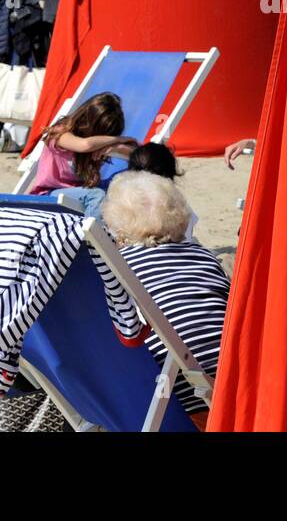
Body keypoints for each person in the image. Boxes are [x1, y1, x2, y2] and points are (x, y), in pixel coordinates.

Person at [101, 171, 231, 431]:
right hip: (230, 389)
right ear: (181, 216)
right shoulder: (202, 257)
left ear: (116, 225)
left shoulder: (116, 270)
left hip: (166, 402)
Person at [29, 93, 135, 208]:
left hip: (82, 190)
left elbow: (141, 156)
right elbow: (84, 145)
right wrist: (117, 139)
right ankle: (95, 226)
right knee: (97, 195)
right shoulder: (60, 133)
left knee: (127, 178)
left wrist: (117, 147)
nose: (105, 139)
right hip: (50, 194)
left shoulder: (99, 144)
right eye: (104, 136)